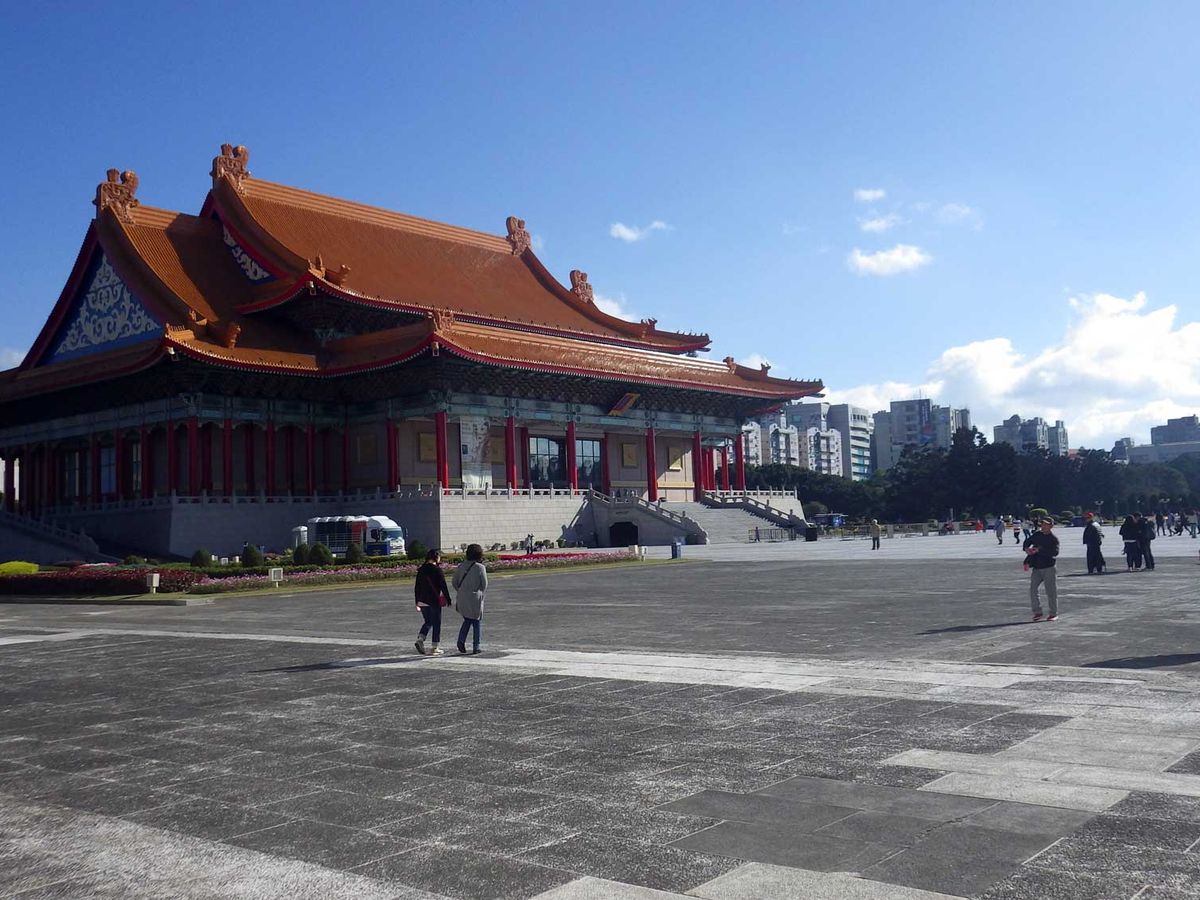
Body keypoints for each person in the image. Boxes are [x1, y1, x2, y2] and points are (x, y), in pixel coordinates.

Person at [414, 548, 452, 656]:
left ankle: (420, 639)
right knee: (436, 623)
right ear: (436, 557)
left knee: (428, 621)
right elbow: (443, 585)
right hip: (434, 600)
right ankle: (435, 647)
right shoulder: (437, 570)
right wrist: (448, 599)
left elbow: (417, 587)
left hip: (422, 600)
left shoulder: (421, 569)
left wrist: (417, 601)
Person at [452, 543, 488, 654]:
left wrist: (461, 590)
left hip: (462, 597)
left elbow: (454, 582)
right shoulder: (480, 567)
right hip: (475, 597)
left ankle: (461, 641)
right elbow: (484, 584)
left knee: (467, 620)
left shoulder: (461, 566)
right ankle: (476, 645)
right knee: (476, 622)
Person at [1023, 517, 1060, 621]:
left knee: (1051, 592)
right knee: (1033, 590)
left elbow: (1054, 553)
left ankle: (1053, 613)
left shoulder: (1053, 539)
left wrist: (1039, 550)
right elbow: (1027, 541)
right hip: (1037, 567)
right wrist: (1026, 548)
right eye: (1042, 524)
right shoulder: (1037, 535)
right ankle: (1037, 612)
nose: (1043, 526)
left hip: (1049, 567)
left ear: (1051, 526)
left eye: (1046, 524)